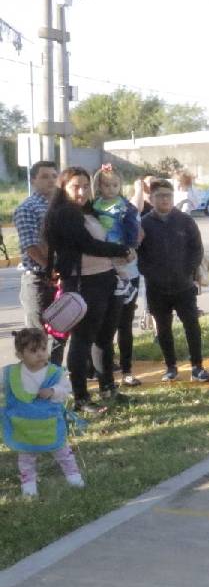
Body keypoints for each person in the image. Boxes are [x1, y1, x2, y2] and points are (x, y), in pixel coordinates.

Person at [42, 166, 134, 415]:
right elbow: (89, 245)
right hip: (83, 284)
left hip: (105, 278)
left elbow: (121, 216)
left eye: (85, 185)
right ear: (64, 188)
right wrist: (121, 251)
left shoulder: (89, 211)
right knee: (82, 340)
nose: (82, 191)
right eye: (75, 186)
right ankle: (81, 398)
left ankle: (108, 389)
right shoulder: (64, 214)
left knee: (104, 338)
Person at [138, 179, 209, 383]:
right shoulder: (144, 223)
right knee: (163, 328)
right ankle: (170, 366)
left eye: (168, 195)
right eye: (160, 195)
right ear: (151, 198)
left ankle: (197, 367)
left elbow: (196, 249)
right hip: (156, 288)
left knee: (192, 325)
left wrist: (187, 271)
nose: (164, 199)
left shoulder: (185, 220)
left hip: (184, 285)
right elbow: (139, 253)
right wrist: (150, 272)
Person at [3, 328, 83, 498]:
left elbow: (66, 390)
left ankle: (74, 478)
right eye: (33, 350)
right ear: (19, 355)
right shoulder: (12, 374)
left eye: (43, 349)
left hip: (50, 425)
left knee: (63, 453)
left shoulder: (54, 372)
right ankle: (29, 486)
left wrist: (53, 391)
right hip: (24, 430)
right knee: (26, 459)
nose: (40, 354)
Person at [90, 164, 143, 386]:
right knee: (102, 324)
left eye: (115, 185)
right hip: (102, 265)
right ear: (98, 186)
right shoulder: (92, 207)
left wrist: (129, 248)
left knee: (125, 322)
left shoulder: (125, 207)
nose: (111, 189)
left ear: (121, 186)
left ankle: (127, 369)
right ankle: (102, 369)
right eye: (106, 185)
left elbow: (133, 231)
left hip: (125, 264)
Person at [15, 160, 61, 359]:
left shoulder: (63, 205)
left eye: (53, 176)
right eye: (44, 176)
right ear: (33, 180)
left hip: (62, 276)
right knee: (37, 334)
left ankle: (55, 374)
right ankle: (37, 380)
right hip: (37, 279)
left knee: (62, 329)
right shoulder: (27, 208)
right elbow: (30, 246)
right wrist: (50, 268)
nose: (50, 180)